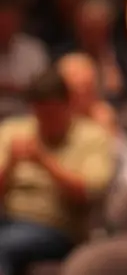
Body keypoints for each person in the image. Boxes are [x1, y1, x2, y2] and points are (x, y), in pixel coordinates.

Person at [0, 69, 114, 273]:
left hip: (59, 229)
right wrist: (9, 164)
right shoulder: (12, 131)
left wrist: (44, 161)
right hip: (7, 220)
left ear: (68, 104)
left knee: (5, 245)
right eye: (40, 114)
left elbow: (88, 193)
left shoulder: (92, 136)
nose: (46, 122)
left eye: (52, 114)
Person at [0, 0, 49, 96]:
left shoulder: (34, 49)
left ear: (17, 22)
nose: (3, 29)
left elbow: (45, 88)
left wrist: (15, 90)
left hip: (27, 109)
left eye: (7, 23)